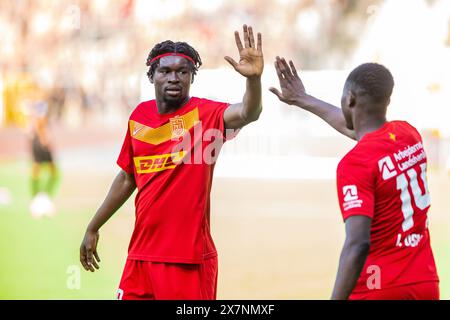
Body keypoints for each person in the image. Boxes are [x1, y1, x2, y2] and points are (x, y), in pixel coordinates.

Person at [79, 25, 263, 300]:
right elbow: (128, 177)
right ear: (152, 76)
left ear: (192, 77)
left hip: (188, 261)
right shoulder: (139, 116)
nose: (174, 78)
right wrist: (93, 226)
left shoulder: (206, 114)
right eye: (165, 71)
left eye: (182, 72)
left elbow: (249, 112)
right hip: (140, 257)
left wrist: (254, 80)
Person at [270, 58, 439, 300]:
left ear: (349, 99)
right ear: (387, 100)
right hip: (424, 282)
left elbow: (358, 244)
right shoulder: (408, 135)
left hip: (379, 288)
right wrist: (303, 98)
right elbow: (358, 130)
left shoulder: (355, 164)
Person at [28, 94, 58, 218]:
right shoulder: (42, 114)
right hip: (41, 145)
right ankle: (42, 195)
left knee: (38, 170)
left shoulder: (36, 113)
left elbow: (30, 130)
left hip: (36, 144)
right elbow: (40, 126)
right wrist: (45, 140)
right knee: (52, 172)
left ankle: (38, 195)